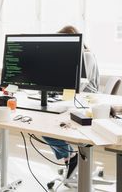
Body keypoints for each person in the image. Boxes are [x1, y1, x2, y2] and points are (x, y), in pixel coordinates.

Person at [43, 25, 100, 179]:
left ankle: (71, 157)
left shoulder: (86, 56)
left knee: (46, 124)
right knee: (42, 122)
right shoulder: (72, 56)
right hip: (72, 100)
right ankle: (70, 157)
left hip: (85, 103)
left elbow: (79, 85)